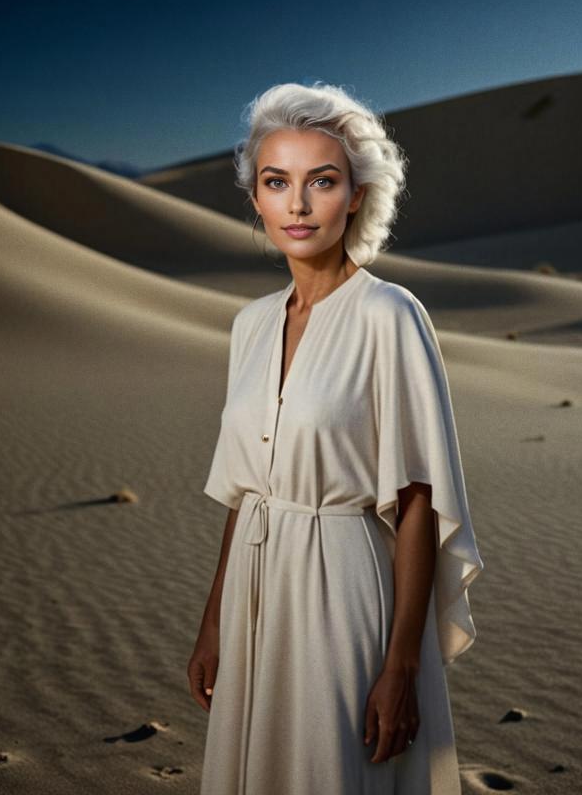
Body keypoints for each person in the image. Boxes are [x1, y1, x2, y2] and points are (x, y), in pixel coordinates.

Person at [188, 81, 484, 794]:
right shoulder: (250, 324)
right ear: (255, 198)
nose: (297, 205)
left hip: (344, 585)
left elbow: (417, 499)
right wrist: (213, 622)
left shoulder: (390, 315)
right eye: (275, 182)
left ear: (355, 194)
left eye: (320, 181)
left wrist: (402, 665)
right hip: (256, 585)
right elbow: (244, 486)